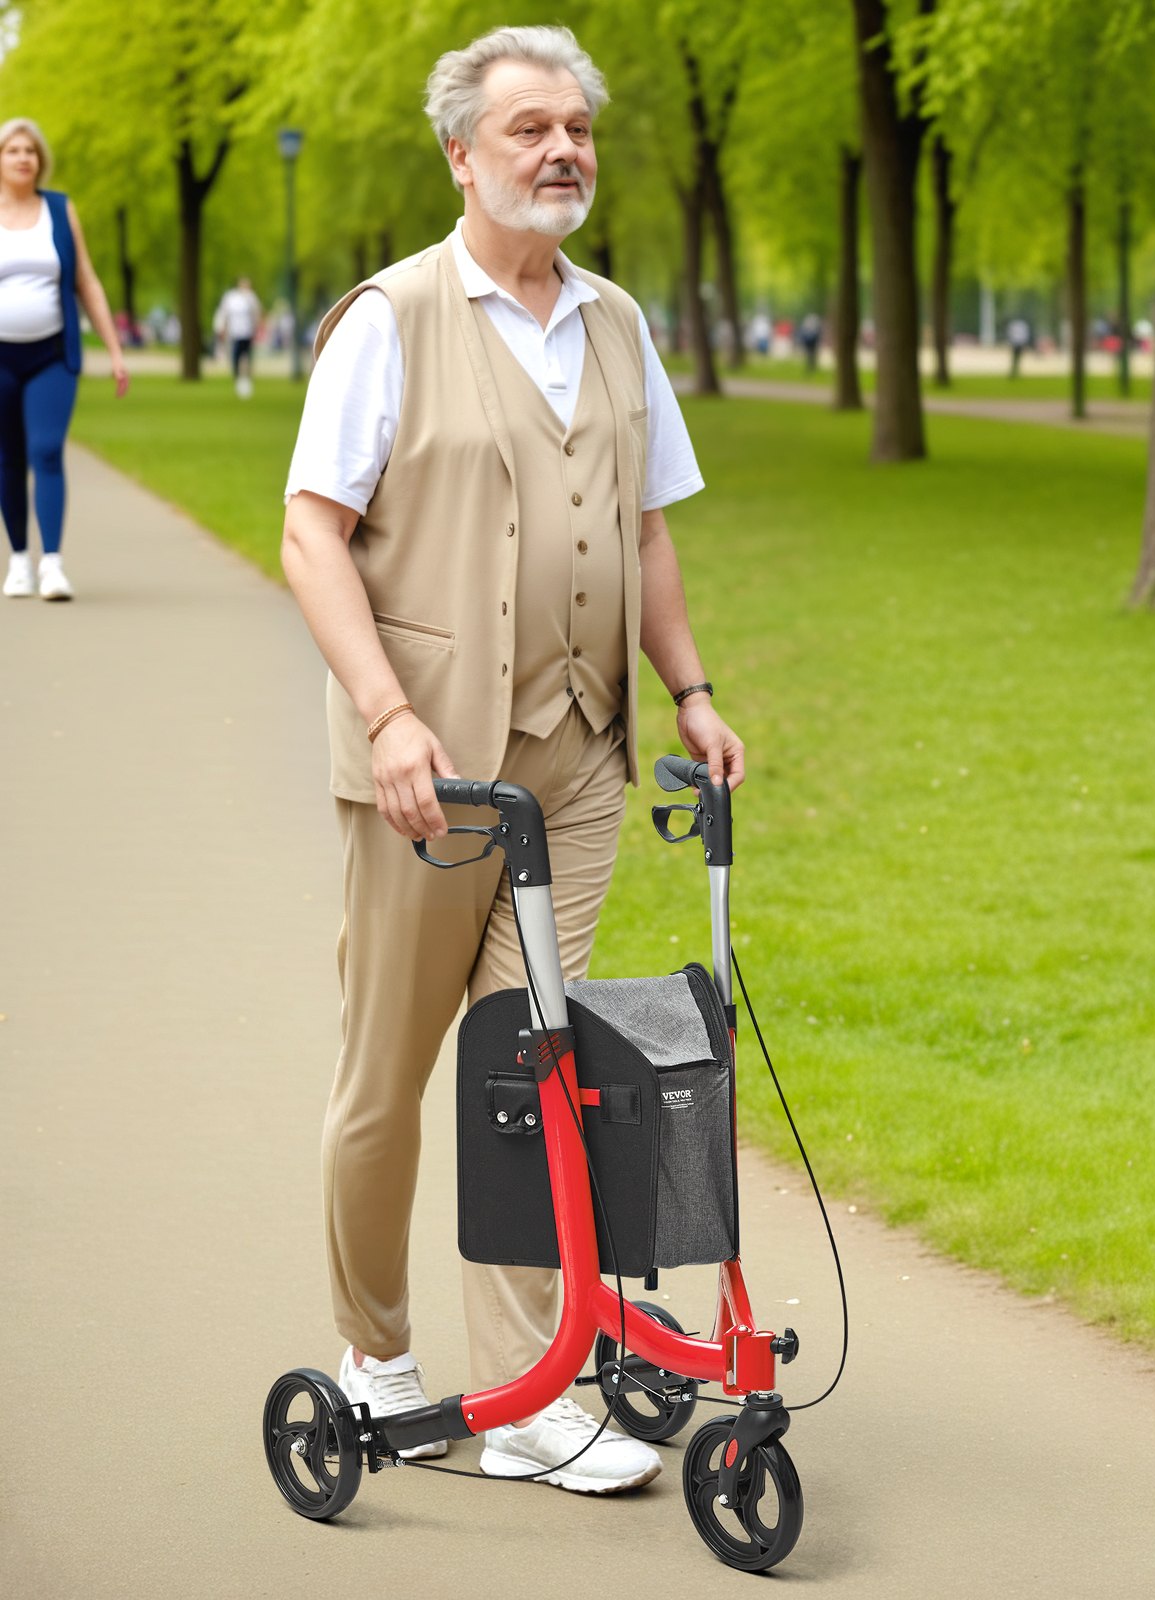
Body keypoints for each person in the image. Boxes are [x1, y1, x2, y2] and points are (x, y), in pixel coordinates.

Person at [280, 25, 743, 1490]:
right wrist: (386, 712)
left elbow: (651, 525)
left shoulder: (615, 323)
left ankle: (531, 1392)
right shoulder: (389, 321)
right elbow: (310, 535)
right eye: (530, 129)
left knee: (537, 1070)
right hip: (432, 785)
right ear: (461, 153)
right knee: (389, 1077)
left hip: (579, 763)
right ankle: (373, 1344)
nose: (561, 152)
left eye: (579, 132)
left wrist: (690, 691)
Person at [0, 118, 127, 601]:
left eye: (30, 150)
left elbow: (87, 283)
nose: (23, 157)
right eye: (13, 150)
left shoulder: (59, 209)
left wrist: (115, 351)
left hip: (51, 355)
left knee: (47, 451)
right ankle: (18, 561)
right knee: (8, 458)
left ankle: (51, 563)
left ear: (39, 161)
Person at [213, 276, 262, 398]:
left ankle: (246, 378)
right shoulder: (231, 298)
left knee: (246, 356)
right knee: (236, 356)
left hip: (247, 332)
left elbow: (257, 313)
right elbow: (225, 313)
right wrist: (223, 328)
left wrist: (256, 328)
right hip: (235, 333)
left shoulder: (251, 298)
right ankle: (237, 377)